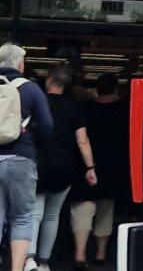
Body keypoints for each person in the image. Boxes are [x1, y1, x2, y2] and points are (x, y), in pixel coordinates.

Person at [25, 65, 97, 271]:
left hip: (39, 164)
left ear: (49, 79)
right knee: (52, 215)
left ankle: (30, 259)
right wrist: (90, 167)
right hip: (65, 167)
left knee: (34, 213)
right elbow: (82, 141)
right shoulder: (75, 107)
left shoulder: (37, 103)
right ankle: (45, 261)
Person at [0, 44, 53, 271]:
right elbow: (48, 126)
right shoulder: (31, 89)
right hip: (21, 158)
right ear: (20, 64)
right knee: (22, 217)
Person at [70, 74, 127, 269]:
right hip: (113, 167)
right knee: (106, 209)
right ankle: (101, 253)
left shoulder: (85, 110)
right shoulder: (123, 111)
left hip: (86, 165)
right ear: (115, 90)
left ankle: (80, 254)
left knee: (83, 208)